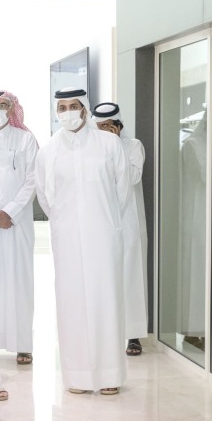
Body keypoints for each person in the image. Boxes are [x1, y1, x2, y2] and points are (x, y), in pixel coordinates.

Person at [34, 88, 131, 395]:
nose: (67, 112)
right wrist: (66, 222)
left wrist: (105, 222)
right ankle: (76, 375)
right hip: (67, 240)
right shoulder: (48, 151)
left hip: (104, 237)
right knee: (71, 303)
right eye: (61, 107)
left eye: (73, 106)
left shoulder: (109, 144)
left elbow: (123, 191)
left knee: (106, 301)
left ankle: (109, 375)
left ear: (85, 110)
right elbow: (45, 197)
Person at [0, 90, 38, 367]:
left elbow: (33, 179)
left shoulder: (26, 139)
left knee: (19, 280)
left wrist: (9, 212)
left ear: (13, 108)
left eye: (4, 105)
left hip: (17, 222)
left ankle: (22, 344)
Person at [93, 103, 148, 357]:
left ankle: (133, 335)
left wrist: (115, 148)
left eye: (107, 127)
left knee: (129, 274)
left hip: (127, 221)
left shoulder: (132, 146)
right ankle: (104, 333)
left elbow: (133, 177)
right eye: (99, 127)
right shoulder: (90, 149)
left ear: (118, 127)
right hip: (100, 219)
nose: (103, 131)